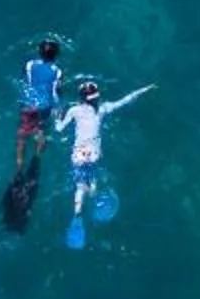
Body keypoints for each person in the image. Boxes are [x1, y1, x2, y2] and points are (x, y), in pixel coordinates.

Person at [54, 78, 154, 248]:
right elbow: (125, 101)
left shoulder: (75, 110)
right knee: (93, 182)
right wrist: (143, 90)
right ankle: (94, 202)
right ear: (96, 98)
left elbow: (59, 129)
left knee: (79, 185)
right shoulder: (103, 109)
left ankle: (77, 214)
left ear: (81, 98)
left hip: (79, 154)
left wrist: (57, 117)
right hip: (93, 155)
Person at [15, 39, 64, 175]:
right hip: (45, 106)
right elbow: (57, 91)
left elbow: (24, 81)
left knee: (22, 133)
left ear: (40, 52)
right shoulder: (58, 72)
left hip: (28, 103)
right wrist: (59, 108)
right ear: (55, 55)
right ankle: (37, 158)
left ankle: (19, 166)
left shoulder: (29, 65)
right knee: (41, 131)